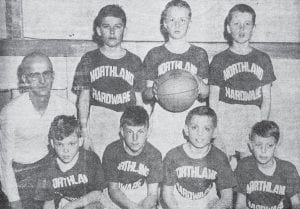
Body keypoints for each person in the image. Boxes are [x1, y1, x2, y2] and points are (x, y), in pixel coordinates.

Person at [0, 52, 76, 209]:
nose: (42, 81)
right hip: (19, 173)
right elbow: (4, 163)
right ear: (24, 79)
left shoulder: (66, 107)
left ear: (53, 76)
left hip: (51, 170)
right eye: (35, 75)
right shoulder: (11, 112)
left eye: (46, 74)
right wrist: (14, 201)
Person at [72, 4, 144, 159]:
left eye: (117, 27)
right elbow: (83, 99)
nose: (112, 32)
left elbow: (139, 102)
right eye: (106, 27)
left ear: (124, 30)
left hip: (127, 122)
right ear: (98, 30)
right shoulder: (89, 59)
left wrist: (141, 130)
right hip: (99, 121)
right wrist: (84, 132)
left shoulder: (134, 61)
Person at [209, 4, 276, 165]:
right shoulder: (219, 59)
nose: (242, 28)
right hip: (226, 114)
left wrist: (261, 127)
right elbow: (213, 98)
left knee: (248, 165)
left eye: (247, 24)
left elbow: (266, 99)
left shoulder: (263, 58)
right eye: (236, 24)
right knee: (223, 164)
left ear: (254, 27)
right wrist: (215, 129)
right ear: (228, 27)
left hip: (252, 115)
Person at [142, 0, 209, 156]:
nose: (177, 25)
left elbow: (205, 93)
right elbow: (146, 95)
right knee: (162, 160)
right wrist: (154, 90)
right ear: (164, 23)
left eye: (182, 20)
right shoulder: (155, 54)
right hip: (163, 117)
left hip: (191, 116)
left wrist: (198, 84)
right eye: (172, 20)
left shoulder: (199, 54)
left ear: (189, 23)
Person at [162, 106, 237, 209]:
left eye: (206, 129)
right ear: (186, 130)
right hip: (178, 203)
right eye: (194, 127)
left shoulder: (219, 157)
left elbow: (227, 197)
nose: (200, 133)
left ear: (214, 132)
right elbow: (167, 194)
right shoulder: (173, 155)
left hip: (207, 204)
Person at [34, 115, 107, 209]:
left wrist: (71, 205)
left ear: (80, 141)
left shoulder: (90, 159)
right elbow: (48, 202)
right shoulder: (47, 166)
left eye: (71, 144)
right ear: (52, 143)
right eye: (60, 144)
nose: (66, 150)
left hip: (87, 203)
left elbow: (98, 193)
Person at [102, 106, 163, 209]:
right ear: (122, 131)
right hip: (116, 196)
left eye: (140, 132)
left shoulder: (154, 154)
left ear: (148, 132)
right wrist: (133, 207)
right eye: (130, 132)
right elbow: (113, 190)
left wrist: (143, 207)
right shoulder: (112, 150)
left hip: (141, 192)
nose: (135, 139)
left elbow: (152, 194)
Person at [235, 120, 300, 209]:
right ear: (251, 145)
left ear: (276, 145)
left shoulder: (288, 169)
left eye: (269, 145)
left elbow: (296, 203)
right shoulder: (244, 166)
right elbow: (240, 204)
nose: (263, 150)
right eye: (258, 145)